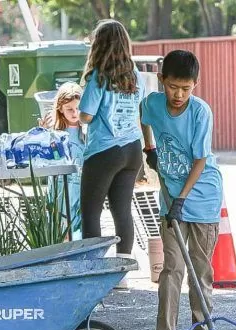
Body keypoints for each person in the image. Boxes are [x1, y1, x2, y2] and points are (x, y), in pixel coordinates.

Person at [141, 50, 223, 330]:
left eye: (186, 89)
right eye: (173, 87)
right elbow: (144, 115)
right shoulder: (153, 103)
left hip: (201, 197)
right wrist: (150, 149)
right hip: (170, 196)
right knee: (171, 268)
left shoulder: (201, 112)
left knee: (200, 270)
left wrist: (182, 199)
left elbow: (200, 161)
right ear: (162, 80)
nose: (178, 94)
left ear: (195, 85)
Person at [78, 19, 144, 288]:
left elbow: (85, 114)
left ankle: (94, 271)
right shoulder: (135, 74)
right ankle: (122, 276)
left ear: (99, 45)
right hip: (132, 150)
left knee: (91, 212)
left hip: (105, 150)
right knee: (122, 211)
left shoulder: (99, 77)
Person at [40, 82, 84, 240]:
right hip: (60, 187)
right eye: (70, 109)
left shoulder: (87, 131)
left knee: (79, 229)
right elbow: (45, 157)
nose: (75, 113)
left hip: (81, 186)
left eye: (78, 108)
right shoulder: (56, 132)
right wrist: (43, 135)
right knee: (61, 228)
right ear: (60, 108)